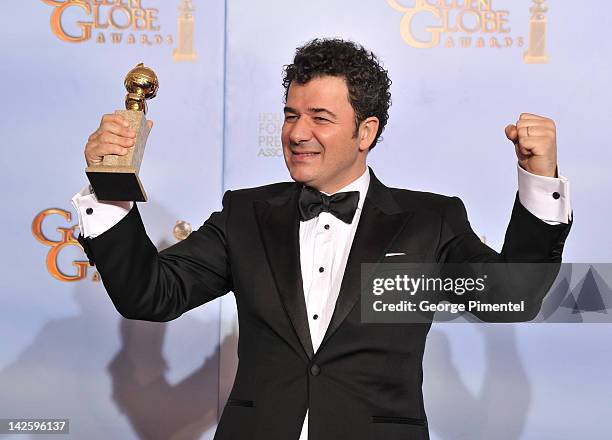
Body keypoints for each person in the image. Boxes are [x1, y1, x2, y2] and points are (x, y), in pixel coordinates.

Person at [72, 39, 572, 440]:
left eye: (320, 118)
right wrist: (109, 181)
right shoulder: (246, 212)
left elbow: (512, 298)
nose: (297, 132)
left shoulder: (429, 220)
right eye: (292, 114)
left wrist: (538, 179)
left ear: (366, 132)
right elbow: (149, 295)